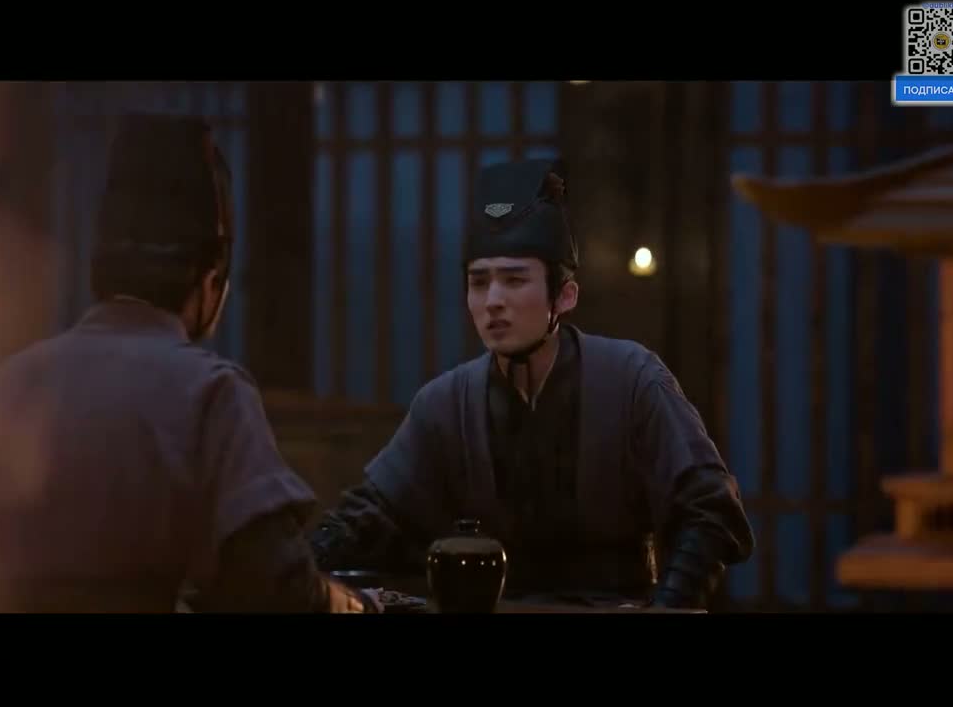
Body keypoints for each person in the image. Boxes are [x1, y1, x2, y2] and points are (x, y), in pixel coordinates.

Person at [0, 113, 377, 613]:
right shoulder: (210, 393)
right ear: (212, 277)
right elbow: (276, 587)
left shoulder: (12, 383)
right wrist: (353, 604)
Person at [310, 157, 754, 610]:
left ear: (565, 295)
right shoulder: (447, 402)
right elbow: (371, 516)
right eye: (479, 282)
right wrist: (299, 564)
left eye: (514, 279)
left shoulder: (630, 379)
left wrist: (669, 606)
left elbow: (709, 510)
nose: (493, 301)